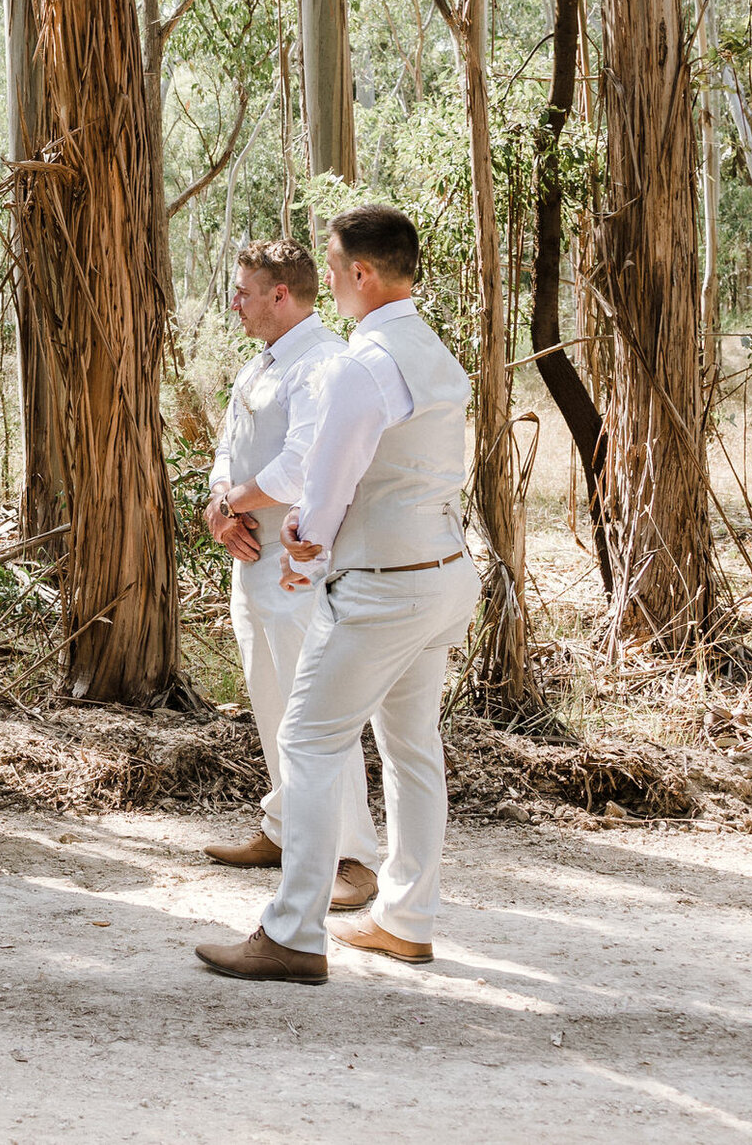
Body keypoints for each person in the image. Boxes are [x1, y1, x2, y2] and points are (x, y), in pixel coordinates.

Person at [196, 206, 477, 983]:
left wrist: (303, 546)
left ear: (360, 273)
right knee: (412, 746)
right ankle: (407, 918)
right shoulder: (430, 350)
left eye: (334, 263)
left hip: (385, 581)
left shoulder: (363, 361)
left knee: (309, 739)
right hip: (443, 567)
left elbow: (332, 471)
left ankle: (292, 931)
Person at [199, 240, 383, 914]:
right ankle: (286, 827)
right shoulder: (260, 363)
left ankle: (352, 857)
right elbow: (228, 447)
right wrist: (224, 506)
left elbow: (303, 465)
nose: (234, 302)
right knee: (273, 703)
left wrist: (233, 503)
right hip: (251, 555)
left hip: (302, 559)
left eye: (244, 290)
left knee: (318, 713)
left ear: (281, 294)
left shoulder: (325, 364)